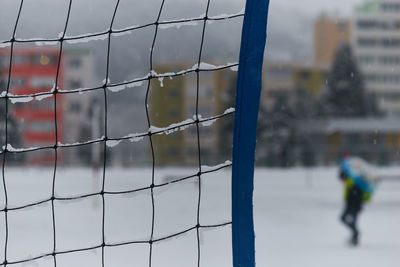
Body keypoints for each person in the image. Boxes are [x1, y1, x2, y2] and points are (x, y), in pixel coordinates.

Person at [338, 156, 374, 246]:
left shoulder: (356, 180)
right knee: (344, 219)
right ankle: (355, 235)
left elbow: (363, 194)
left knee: (351, 220)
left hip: (355, 204)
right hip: (351, 203)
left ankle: (355, 236)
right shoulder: (353, 180)